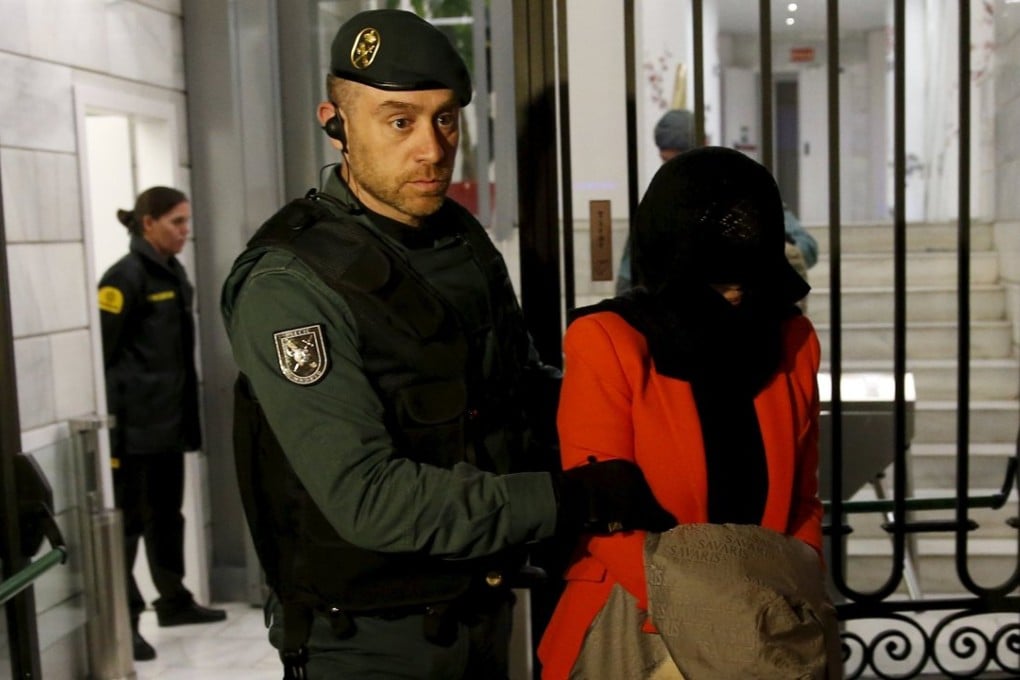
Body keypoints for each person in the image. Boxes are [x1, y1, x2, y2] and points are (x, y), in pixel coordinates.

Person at [220, 9, 674, 679]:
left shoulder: (456, 236)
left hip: (480, 613)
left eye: (445, 120)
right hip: (370, 641)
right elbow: (367, 498)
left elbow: (518, 388)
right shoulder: (291, 283)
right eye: (399, 122)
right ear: (336, 122)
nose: (432, 150)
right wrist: (566, 499)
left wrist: (637, 403)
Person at [538, 147, 828, 678]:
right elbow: (603, 514)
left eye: (748, 275)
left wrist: (792, 596)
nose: (735, 293)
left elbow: (803, 503)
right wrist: (718, 617)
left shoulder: (792, 340)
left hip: (767, 636)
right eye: (715, 279)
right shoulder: (606, 340)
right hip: (637, 624)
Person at [97, 187, 226, 662]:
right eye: (177, 222)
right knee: (128, 527)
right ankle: (125, 621)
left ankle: (173, 601)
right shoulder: (124, 277)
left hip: (169, 424)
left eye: (187, 221)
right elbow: (104, 356)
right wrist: (117, 425)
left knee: (168, 517)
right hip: (133, 431)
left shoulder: (173, 272)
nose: (185, 231)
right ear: (148, 222)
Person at [616, 108, 819, 304]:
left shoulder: (740, 194)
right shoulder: (658, 206)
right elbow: (629, 277)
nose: (676, 171)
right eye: (667, 162)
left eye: (683, 160)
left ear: (704, 146)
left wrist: (768, 254)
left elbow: (806, 246)